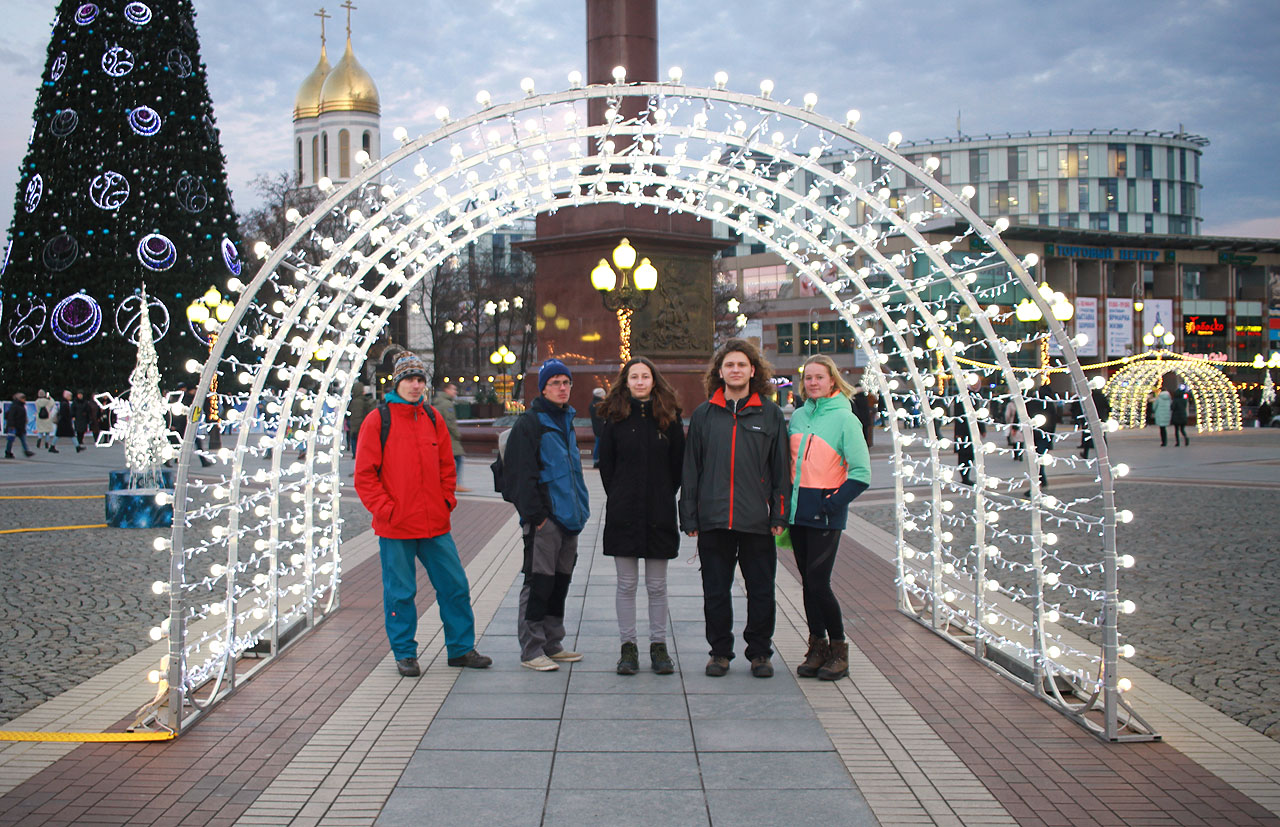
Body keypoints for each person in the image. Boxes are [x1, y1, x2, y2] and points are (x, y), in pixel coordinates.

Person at [354, 351, 492, 677]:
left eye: (420, 380)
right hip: (396, 526)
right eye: (409, 379)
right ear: (397, 382)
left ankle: (460, 648)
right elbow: (365, 476)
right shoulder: (379, 419)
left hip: (435, 523)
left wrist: (446, 500)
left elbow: (447, 466)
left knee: (455, 586)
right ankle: (405, 653)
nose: (416, 385)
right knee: (400, 593)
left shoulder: (432, 418)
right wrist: (387, 510)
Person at [679, 338, 789, 679]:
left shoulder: (769, 414)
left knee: (761, 590)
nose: (736, 370)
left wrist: (779, 514)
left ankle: (759, 653)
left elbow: (781, 470)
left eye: (742, 364)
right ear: (720, 372)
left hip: (756, 519)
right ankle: (720, 653)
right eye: (729, 365)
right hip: (713, 519)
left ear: (753, 370)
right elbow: (691, 469)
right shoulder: (704, 414)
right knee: (715, 590)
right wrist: (690, 516)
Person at [597, 357, 685, 676]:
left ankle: (658, 646)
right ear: (625, 382)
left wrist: (662, 493)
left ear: (653, 380)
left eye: (644, 376)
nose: (639, 382)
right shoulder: (615, 418)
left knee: (658, 586)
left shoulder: (669, 418)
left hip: (659, 511)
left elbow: (678, 466)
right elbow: (607, 465)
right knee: (626, 584)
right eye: (633, 377)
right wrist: (621, 493)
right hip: (624, 511)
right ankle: (628, 647)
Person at [501, 359, 590, 671]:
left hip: (570, 519)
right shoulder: (530, 424)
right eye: (555, 383)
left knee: (559, 583)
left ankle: (553, 643)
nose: (562, 388)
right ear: (543, 388)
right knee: (538, 583)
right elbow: (519, 476)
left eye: (566, 383)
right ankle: (532, 649)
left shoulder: (566, 420)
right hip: (546, 521)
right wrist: (537, 516)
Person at [787, 355, 870, 682]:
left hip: (824, 514)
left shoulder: (845, 419)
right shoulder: (797, 417)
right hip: (798, 514)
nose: (813, 383)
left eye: (819, 377)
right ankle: (817, 646)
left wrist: (832, 503)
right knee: (808, 583)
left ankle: (839, 648)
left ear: (833, 380)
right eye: (808, 378)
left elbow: (861, 473)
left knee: (819, 583)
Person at [431, 382, 469, 491]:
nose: (455, 392)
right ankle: (456, 484)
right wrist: (457, 434)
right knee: (458, 459)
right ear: (446, 390)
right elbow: (450, 422)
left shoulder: (437, 402)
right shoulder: (447, 404)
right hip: (449, 438)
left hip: (439, 437)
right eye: (453, 389)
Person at [1023, 386, 1059, 492]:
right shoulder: (1049, 403)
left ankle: (1038, 482)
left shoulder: (1033, 401)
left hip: (1033, 434)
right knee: (1039, 459)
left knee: (1035, 459)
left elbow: (1025, 416)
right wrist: (1051, 438)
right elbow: (1053, 422)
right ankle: (1041, 480)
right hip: (1045, 434)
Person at [952, 395, 986, 486]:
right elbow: (958, 417)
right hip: (963, 432)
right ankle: (965, 478)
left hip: (972, 432)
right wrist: (959, 433)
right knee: (964, 455)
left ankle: (966, 477)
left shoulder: (976, 396)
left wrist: (982, 429)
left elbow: (978, 415)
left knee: (971, 455)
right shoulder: (960, 398)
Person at [1080, 387, 1111, 460]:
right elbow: (1108, 407)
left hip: (1092, 418)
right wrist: (1106, 415)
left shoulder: (1090, 398)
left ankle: (1085, 453)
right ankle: (1104, 453)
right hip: (1102, 418)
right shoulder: (1102, 397)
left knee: (1088, 435)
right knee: (1102, 435)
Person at [346, 381, 374, 458]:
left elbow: (355, 416)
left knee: (354, 440)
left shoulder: (355, 401)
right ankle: (358, 454)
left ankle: (356, 454)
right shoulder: (360, 401)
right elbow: (358, 416)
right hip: (359, 426)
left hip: (355, 426)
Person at [4, 393, 36, 458]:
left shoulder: (20, 405)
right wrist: (12, 425)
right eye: (23, 398)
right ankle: (8, 452)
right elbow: (11, 416)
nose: (24, 399)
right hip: (14, 426)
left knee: (21, 439)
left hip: (19, 426)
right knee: (11, 440)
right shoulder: (15, 406)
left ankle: (26, 451)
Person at [589, 386, 606, 468]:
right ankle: (597, 460)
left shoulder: (593, 404)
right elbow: (601, 416)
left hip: (596, 427)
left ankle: (597, 460)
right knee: (599, 444)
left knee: (598, 443)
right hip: (601, 428)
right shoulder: (599, 404)